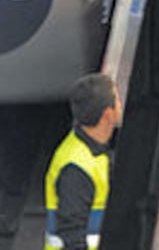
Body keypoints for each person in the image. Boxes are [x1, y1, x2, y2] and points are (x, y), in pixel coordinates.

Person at [45, 73, 121, 250]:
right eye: (117, 99)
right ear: (107, 115)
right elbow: (72, 236)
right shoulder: (75, 170)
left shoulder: (90, 148)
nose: (121, 103)